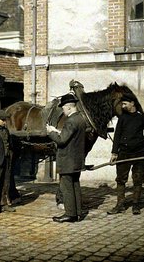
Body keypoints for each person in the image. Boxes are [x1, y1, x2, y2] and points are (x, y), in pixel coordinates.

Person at [46, 93, 87, 223]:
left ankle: (70, 214)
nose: (62, 111)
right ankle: (78, 212)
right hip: (76, 160)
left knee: (66, 187)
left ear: (69, 107)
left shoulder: (70, 121)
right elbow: (70, 136)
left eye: (63, 108)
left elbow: (62, 141)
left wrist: (51, 132)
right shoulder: (80, 119)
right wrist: (58, 131)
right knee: (75, 185)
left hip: (67, 160)